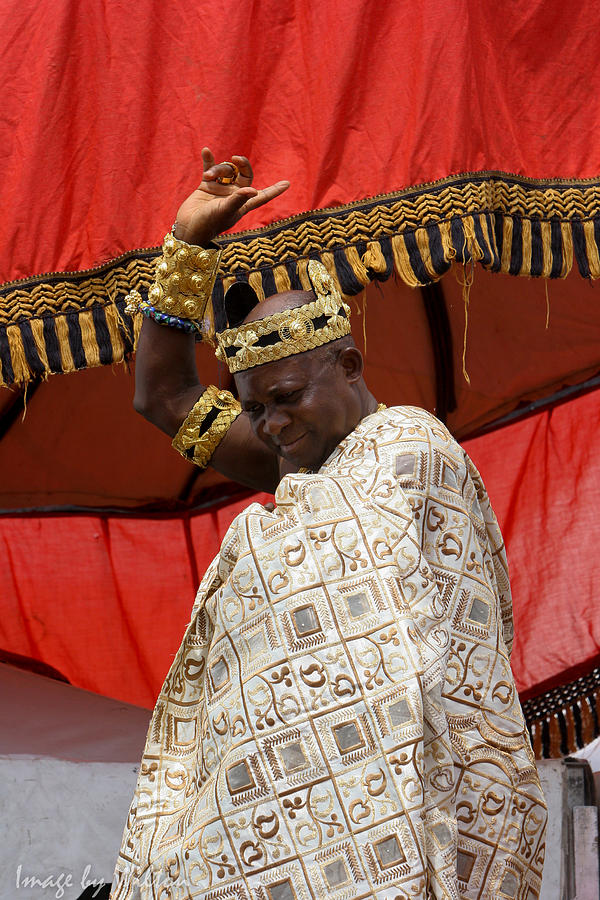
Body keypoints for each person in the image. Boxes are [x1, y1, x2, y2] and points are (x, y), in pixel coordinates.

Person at [111, 152, 547, 899]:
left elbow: (424, 657)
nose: (273, 426)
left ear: (347, 363)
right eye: (254, 411)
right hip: (284, 823)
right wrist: (187, 245)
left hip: (407, 798)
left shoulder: (412, 449)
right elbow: (164, 397)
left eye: (285, 398)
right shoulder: (295, 461)